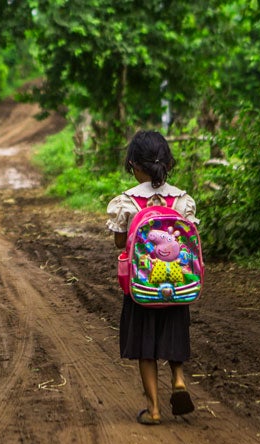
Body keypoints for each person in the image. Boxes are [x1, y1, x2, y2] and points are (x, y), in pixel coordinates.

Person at [105, 130, 199, 425]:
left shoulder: (126, 203)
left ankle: (154, 409)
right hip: (177, 287)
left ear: (134, 164)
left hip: (141, 288)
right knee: (174, 336)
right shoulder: (183, 202)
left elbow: (121, 243)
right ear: (167, 164)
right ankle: (179, 379)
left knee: (146, 349)